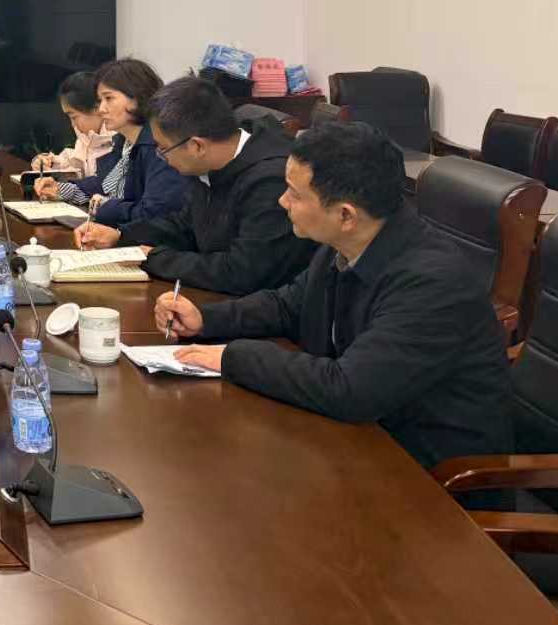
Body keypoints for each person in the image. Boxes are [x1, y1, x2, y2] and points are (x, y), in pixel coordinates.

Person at [156, 121, 512, 469]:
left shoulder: (432, 283)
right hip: (356, 441)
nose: (282, 201)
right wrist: (206, 319)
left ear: (345, 215)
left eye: (294, 194)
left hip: (426, 476)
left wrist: (233, 357)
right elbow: (288, 305)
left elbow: (351, 390)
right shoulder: (346, 241)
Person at [76, 75, 316, 294]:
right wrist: (121, 236)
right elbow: (185, 225)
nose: (161, 157)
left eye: (163, 149)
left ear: (197, 146)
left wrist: (154, 258)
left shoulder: (271, 181)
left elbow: (243, 272)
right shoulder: (209, 166)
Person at [32, 57, 189, 227]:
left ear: (137, 97)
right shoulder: (124, 141)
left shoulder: (159, 147)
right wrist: (61, 189)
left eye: (109, 98)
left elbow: (155, 212)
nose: (101, 109)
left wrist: (104, 207)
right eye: (100, 101)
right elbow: (103, 183)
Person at [29, 69, 116, 176]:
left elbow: (97, 182)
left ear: (96, 108)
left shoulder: (120, 143)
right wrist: (49, 163)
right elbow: (73, 165)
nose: (72, 124)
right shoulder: (85, 139)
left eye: (74, 117)